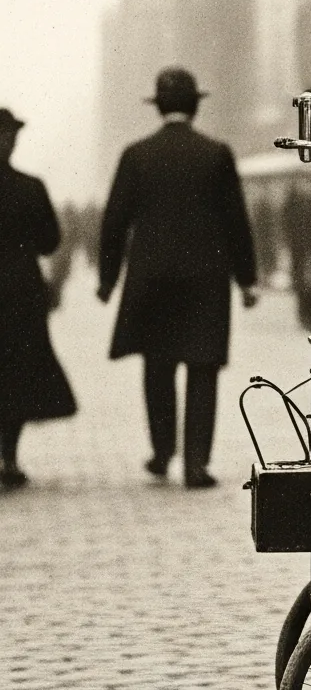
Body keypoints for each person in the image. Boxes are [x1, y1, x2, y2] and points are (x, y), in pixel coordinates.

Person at [98, 68, 256, 491]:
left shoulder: (136, 154)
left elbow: (114, 222)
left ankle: (162, 451)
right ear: (196, 105)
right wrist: (247, 280)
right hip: (206, 280)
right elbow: (236, 222)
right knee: (203, 368)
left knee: (157, 365)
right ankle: (196, 465)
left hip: (151, 278)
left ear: (159, 106)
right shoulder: (217, 153)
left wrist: (108, 279)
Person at [0, 109, 75, 489]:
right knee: (15, 375)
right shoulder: (31, 187)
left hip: (19, 293)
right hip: (19, 292)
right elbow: (50, 241)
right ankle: (9, 458)